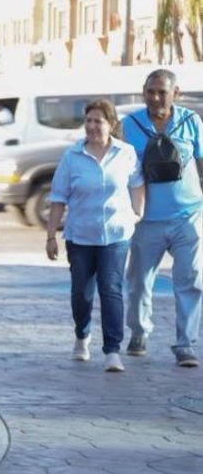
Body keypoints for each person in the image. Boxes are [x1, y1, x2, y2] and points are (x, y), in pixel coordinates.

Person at [46, 99, 145, 373]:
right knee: (81, 293)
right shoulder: (72, 156)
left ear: (111, 124)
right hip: (80, 236)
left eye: (97, 121)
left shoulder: (126, 153)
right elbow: (58, 197)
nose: (91, 126)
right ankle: (82, 334)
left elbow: (137, 184)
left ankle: (112, 350)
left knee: (111, 289)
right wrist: (51, 235)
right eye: (88, 120)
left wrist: (138, 213)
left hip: (116, 235)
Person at [120, 68, 203, 367]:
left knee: (191, 280)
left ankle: (185, 344)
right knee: (140, 281)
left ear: (176, 94)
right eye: (150, 91)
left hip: (188, 215)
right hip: (147, 219)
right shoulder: (129, 125)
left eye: (162, 92)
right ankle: (139, 331)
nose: (155, 98)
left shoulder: (191, 121)